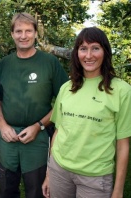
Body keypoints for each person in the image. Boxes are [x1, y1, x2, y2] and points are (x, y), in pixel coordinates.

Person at [42, 27, 131, 198]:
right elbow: (58, 132)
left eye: (95, 48)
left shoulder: (122, 91)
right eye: (83, 49)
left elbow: (123, 144)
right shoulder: (66, 88)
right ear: (77, 53)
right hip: (59, 170)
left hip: (95, 177)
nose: (88, 55)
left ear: (105, 52)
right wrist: (48, 173)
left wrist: (118, 190)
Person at [0, 12, 69, 198]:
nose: (23, 35)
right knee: (6, 190)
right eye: (18, 31)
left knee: (36, 191)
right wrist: (2, 126)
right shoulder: (4, 64)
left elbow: (65, 102)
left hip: (38, 137)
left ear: (36, 33)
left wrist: (39, 125)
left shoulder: (50, 63)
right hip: (8, 138)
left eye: (28, 30)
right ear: (12, 34)